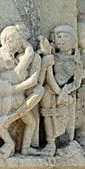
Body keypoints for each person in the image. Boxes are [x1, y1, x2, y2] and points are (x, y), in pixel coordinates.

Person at [0, 24, 44, 159]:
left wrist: (10, 89)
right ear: (9, 40)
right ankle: (8, 144)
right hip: (7, 97)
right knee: (0, 121)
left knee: (28, 123)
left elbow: (21, 76)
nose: (20, 46)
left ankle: (23, 148)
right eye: (19, 41)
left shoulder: (14, 57)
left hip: (13, 94)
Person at [40, 25, 83, 156]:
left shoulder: (76, 62)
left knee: (64, 118)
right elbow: (47, 77)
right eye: (59, 36)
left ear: (74, 40)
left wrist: (66, 90)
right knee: (47, 114)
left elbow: (77, 81)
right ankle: (50, 142)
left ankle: (65, 141)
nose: (62, 40)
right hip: (50, 91)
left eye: (66, 36)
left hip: (65, 95)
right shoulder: (53, 57)